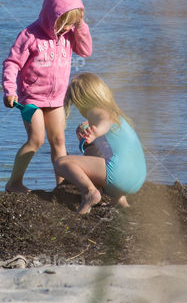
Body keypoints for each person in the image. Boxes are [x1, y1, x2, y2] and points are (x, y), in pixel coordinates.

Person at [2, 0, 93, 193]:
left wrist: (80, 26)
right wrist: (9, 90)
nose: (68, 28)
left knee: (59, 140)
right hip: (31, 99)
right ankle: (14, 183)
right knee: (36, 139)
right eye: (65, 23)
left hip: (56, 99)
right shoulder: (30, 35)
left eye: (72, 24)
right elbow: (12, 63)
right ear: (53, 15)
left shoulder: (70, 35)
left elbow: (86, 50)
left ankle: (61, 185)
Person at [54, 73, 146, 214]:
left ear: (82, 99)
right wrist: (87, 140)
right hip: (137, 178)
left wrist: (95, 132)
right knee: (97, 154)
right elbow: (98, 152)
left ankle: (90, 193)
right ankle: (119, 200)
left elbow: (104, 121)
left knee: (61, 163)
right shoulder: (118, 115)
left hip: (120, 176)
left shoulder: (97, 111)